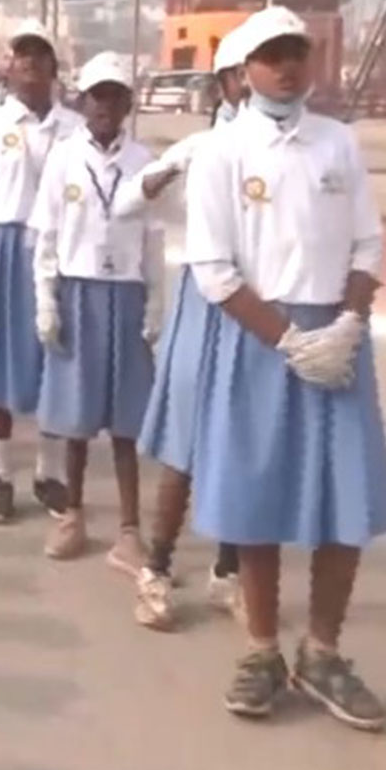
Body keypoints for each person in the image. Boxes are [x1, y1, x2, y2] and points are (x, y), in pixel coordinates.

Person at [183, 6, 386, 730]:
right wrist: (287, 341)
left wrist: (347, 326)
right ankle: (263, 649)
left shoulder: (338, 144)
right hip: (262, 340)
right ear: (244, 71)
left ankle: (323, 651)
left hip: (337, 340)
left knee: (346, 508)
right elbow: (213, 269)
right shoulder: (220, 152)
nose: (289, 67)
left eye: (296, 53)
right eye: (272, 56)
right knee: (257, 504)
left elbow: (368, 246)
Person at [128, 34, 250, 630]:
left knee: (244, 445)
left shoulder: (296, 148)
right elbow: (131, 202)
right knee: (185, 446)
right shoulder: (201, 146)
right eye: (242, 74)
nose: (254, 85)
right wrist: (159, 175)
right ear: (224, 84)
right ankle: (156, 568)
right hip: (204, 306)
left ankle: (228, 572)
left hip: (262, 314)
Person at [29, 52, 160, 568]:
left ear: (129, 102)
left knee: (126, 424)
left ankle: (130, 529)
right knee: (77, 419)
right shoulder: (63, 158)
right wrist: (46, 302)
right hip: (78, 290)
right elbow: (48, 238)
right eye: (97, 95)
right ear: (82, 101)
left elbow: (153, 240)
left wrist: (155, 305)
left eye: (115, 95)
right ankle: (73, 514)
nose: (105, 105)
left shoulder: (145, 162)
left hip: (124, 292)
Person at [0, 20, 82, 524]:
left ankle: (49, 473)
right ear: (9, 68)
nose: (30, 65)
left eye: (40, 56)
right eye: (21, 56)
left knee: (54, 364)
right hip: (6, 250)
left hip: (60, 252)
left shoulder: (75, 128)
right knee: (2, 369)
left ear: (54, 67)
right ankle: (1, 474)